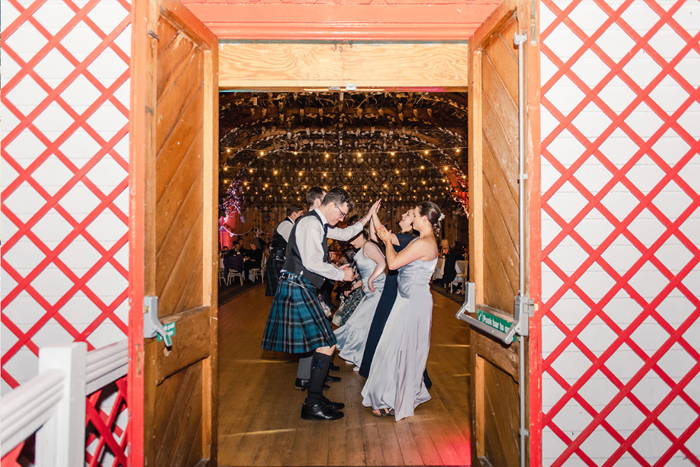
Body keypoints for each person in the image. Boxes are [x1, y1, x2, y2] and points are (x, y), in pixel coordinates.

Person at [262, 189, 380, 421]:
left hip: (302, 287)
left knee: (325, 344)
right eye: (342, 213)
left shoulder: (319, 222)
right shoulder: (310, 224)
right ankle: (312, 404)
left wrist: (367, 218)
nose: (342, 218)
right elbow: (312, 262)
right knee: (326, 344)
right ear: (332, 205)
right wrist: (340, 274)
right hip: (297, 286)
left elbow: (345, 234)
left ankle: (314, 399)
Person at [362, 201, 441, 420]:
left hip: (414, 302)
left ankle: (392, 396)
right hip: (406, 300)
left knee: (403, 349)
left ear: (424, 219)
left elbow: (394, 264)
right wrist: (375, 217)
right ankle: (389, 394)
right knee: (393, 347)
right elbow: (385, 238)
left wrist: (387, 242)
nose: (412, 217)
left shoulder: (425, 243)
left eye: (415, 214)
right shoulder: (418, 240)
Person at [334, 226, 386, 370]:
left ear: (362, 234)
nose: (351, 242)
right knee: (359, 324)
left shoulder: (369, 245)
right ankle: (356, 355)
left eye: (353, 238)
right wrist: (354, 286)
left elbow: (382, 263)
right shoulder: (363, 248)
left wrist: (370, 280)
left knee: (360, 324)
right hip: (370, 291)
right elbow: (365, 273)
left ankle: (360, 358)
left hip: (377, 290)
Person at [265, 205, 304, 296]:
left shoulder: (291, 225)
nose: (302, 215)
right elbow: (295, 243)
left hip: (282, 260)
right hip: (278, 259)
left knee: (285, 293)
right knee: (280, 293)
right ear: (294, 214)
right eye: (301, 213)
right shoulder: (285, 225)